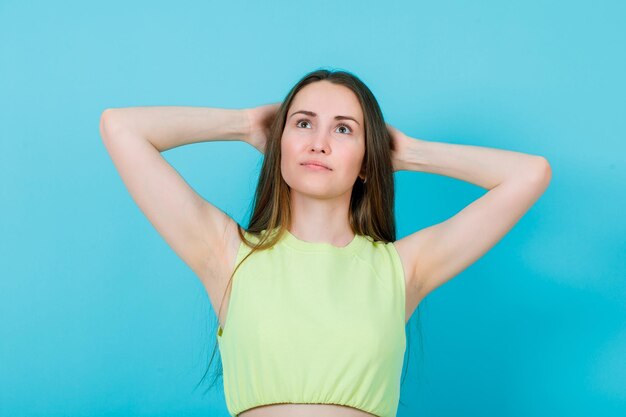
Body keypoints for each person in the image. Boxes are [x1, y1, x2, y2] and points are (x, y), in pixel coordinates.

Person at [99, 68, 551, 417]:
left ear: (367, 160)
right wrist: (242, 124)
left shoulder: (403, 269)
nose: (319, 143)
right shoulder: (228, 255)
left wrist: (407, 153)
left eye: (343, 129)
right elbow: (121, 128)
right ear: (279, 144)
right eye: (302, 124)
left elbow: (529, 174)